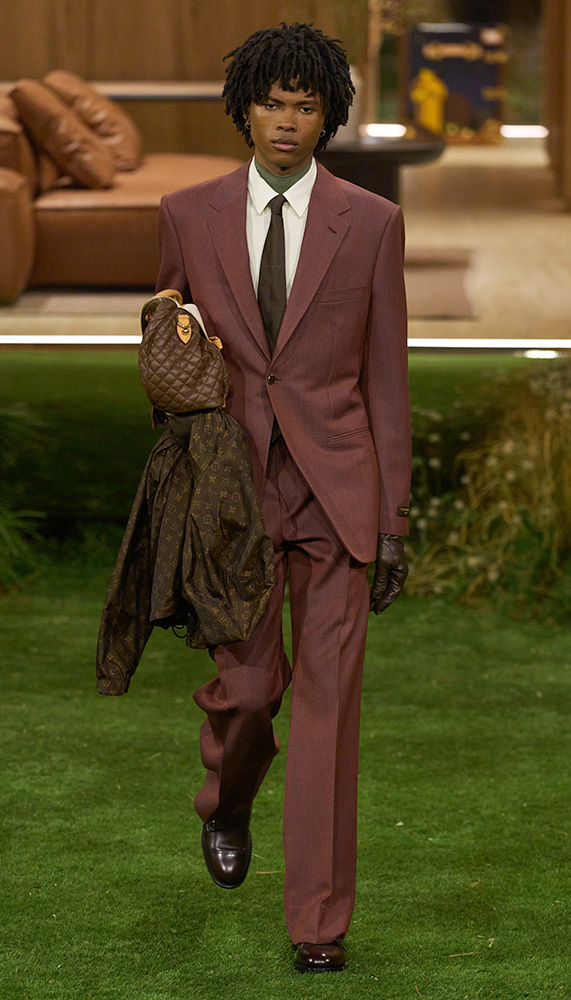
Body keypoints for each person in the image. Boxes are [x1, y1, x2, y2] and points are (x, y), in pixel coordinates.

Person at [155, 22, 411, 974]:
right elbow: (169, 359)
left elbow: (386, 380)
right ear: (245, 109)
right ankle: (227, 799)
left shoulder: (371, 223)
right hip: (231, 500)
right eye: (272, 102)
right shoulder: (186, 215)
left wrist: (392, 520)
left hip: (338, 496)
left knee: (328, 712)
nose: (287, 121)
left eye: (306, 105)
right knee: (251, 692)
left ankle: (318, 925)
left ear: (328, 117)